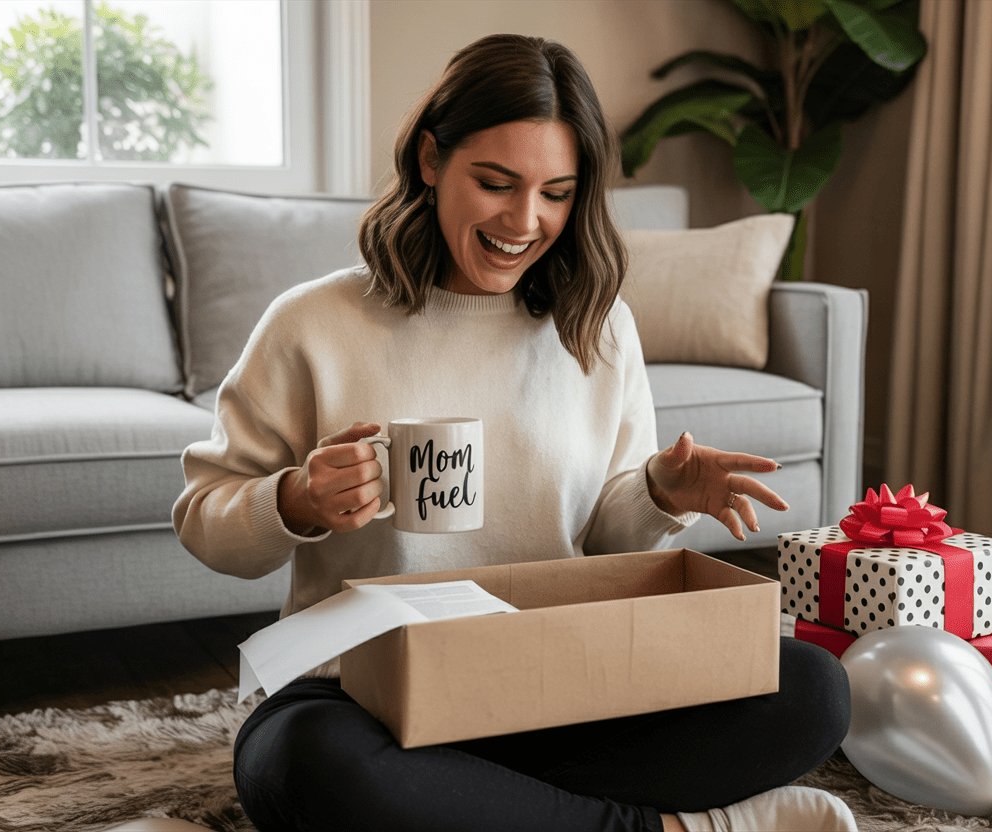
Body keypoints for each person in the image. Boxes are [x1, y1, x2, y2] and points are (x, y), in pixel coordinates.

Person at [173, 33, 855, 832]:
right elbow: (204, 524)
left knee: (811, 688)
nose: (524, 221)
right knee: (304, 761)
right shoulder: (314, 323)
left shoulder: (597, 329)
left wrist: (658, 493)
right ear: (431, 160)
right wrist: (296, 499)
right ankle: (662, 827)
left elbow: (608, 542)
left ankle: (483, 808)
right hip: (365, 691)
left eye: (556, 193)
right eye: (495, 183)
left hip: (558, 679)